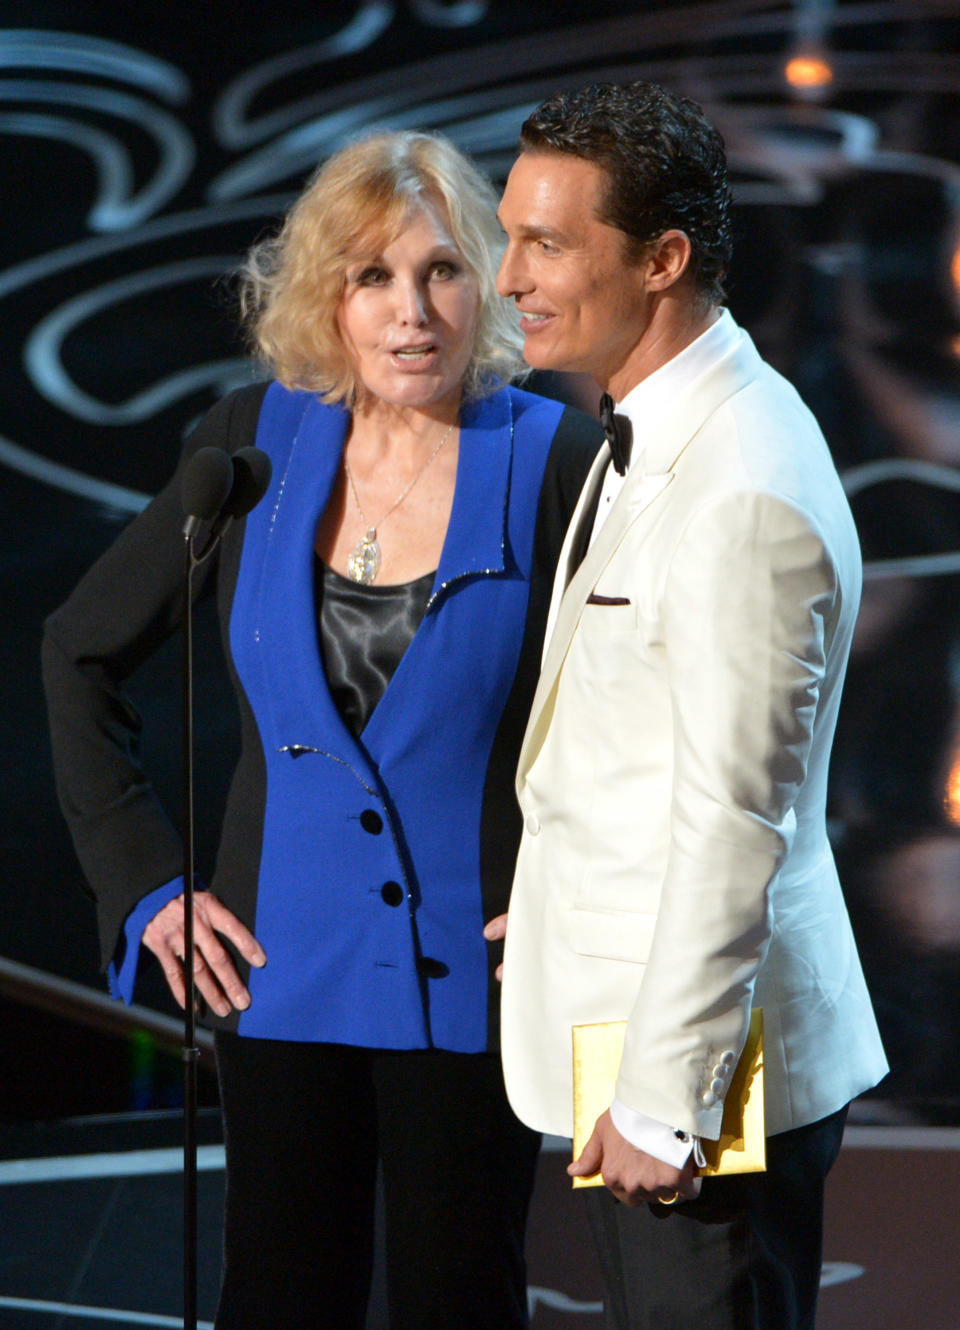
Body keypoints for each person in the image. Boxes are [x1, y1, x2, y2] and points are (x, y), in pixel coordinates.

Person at [42, 130, 602, 1330]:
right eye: (372, 277)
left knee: (463, 1295)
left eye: (443, 271)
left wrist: (588, 892)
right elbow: (76, 651)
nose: (413, 311)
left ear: (487, 283)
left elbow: (643, 715)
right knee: (282, 1297)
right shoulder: (252, 444)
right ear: (327, 298)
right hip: (279, 972)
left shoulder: (557, 457)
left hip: (478, 977)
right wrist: (147, 885)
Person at [489, 82, 889, 1330]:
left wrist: (665, 1099)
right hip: (649, 1023)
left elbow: (735, 820)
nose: (508, 278)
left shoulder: (742, 483)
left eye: (546, 244)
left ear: (663, 259)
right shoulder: (659, 427)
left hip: (706, 1084)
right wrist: (564, 899)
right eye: (510, 236)